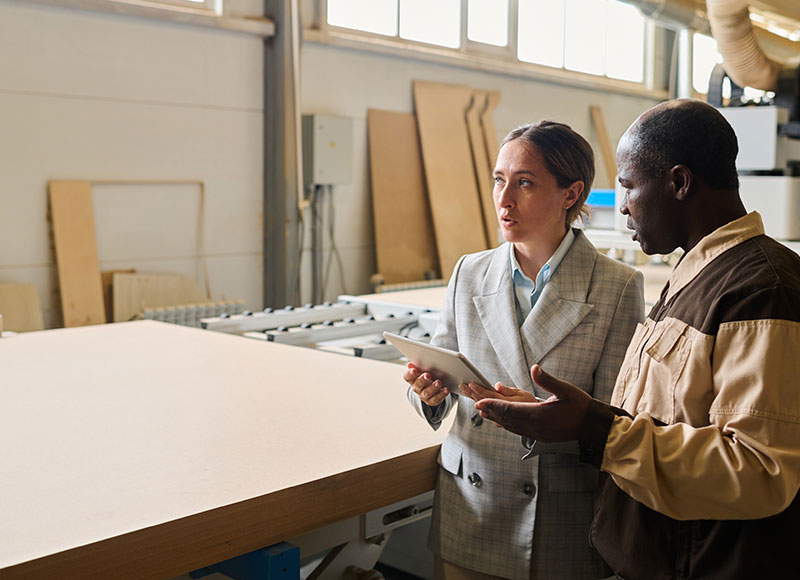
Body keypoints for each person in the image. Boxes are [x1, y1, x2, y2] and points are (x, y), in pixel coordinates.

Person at [471, 99, 800, 579]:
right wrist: (571, 421)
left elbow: (759, 470)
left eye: (628, 186)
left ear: (679, 183)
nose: (622, 205)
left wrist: (596, 429)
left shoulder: (761, 290)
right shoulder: (696, 274)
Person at [404, 120, 644, 580]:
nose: (504, 198)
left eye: (525, 183)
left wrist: (542, 418)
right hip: (470, 507)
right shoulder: (469, 272)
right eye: (499, 180)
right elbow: (440, 372)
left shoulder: (616, 287)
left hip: (557, 521)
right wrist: (428, 393)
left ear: (571, 194)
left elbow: (616, 423)